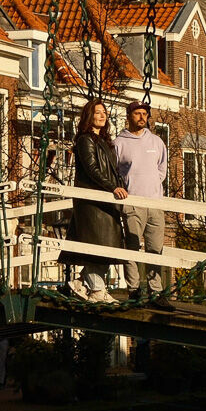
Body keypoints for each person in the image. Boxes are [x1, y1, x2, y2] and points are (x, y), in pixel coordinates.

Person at [66, 99, 123, 302]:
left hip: (105, 200)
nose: (102, 115)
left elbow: (112, 169)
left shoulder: (105, 142)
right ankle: (97, 290)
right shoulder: (85, 140)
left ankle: (81, 283)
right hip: (92, 201)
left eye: (104, 112)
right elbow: (91, 168)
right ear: (89, 116)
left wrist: (118, 185)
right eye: (98, 112)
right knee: (96, 243)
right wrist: (112, 187)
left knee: (108, 244)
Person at [114, 100, 171, 298]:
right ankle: (134, 289)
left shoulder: (156, 142)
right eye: (137, 114)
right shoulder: (119, 143)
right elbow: (115, 172)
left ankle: (156, 290)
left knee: (155, 248)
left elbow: (162, 170)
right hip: (133, 203)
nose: (141, 117)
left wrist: (153, 185)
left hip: (155, 203)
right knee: (131, 246)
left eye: (144, 114)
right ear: (129, 116)